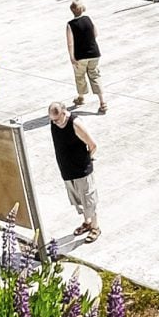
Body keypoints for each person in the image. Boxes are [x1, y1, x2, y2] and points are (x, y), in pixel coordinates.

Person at [47, 101, 99, 240]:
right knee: (78, 199)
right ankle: (87, 223)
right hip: (67, 170)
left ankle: (95, 227)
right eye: (52, 120)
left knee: (89, 199)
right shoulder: (54, 123)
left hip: (82, 170)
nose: (55, 123)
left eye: (57, 119)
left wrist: (86, 160)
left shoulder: (75, 124)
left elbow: (93, 145)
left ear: (64, 113)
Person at [64, 1, 107, 113]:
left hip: (80, 55)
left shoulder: (70, 24)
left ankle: (81, 97)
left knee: (80, 76)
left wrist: (72, 57)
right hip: (94, 53)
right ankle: (102, 102)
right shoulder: (88, 19)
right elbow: (95, 34)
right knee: (95, 76)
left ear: (72, 10)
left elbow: (70, 43)